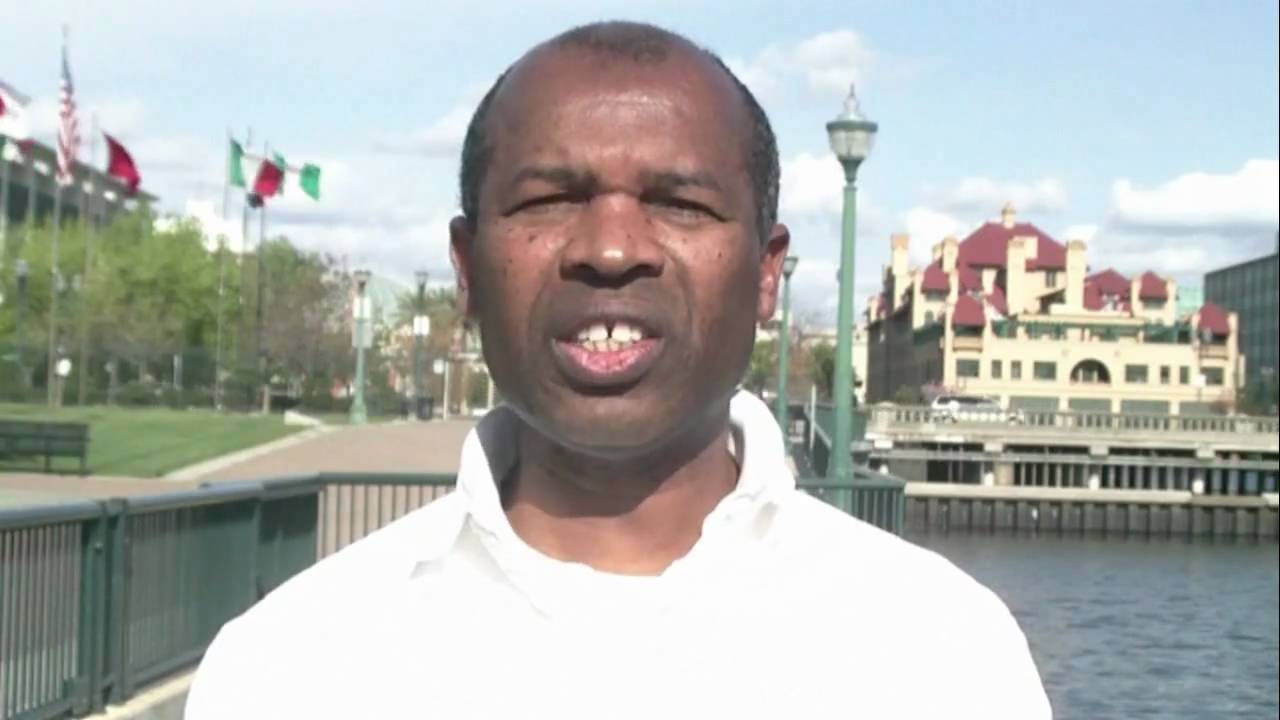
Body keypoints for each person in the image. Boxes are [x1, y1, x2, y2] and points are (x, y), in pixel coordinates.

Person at [185, 21, 1050, 719]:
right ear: (467, 268)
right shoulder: (292, 668)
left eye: (679, 204)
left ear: (766, 275)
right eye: (548, 201)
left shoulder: (939, 655)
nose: (610, 248)